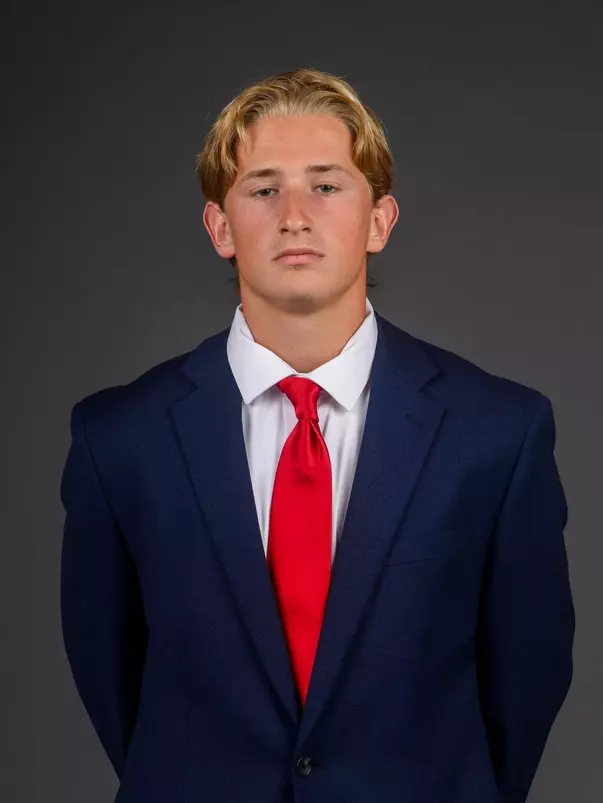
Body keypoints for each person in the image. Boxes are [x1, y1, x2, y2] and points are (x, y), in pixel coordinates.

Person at [60, 67, 575, 803]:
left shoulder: (495, 431)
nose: (294, 214)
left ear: (378, 220)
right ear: (220, 226)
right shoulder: (120, 437)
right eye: (263, 188)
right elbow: (111, 674)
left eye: (327, 185)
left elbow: (526, 675)